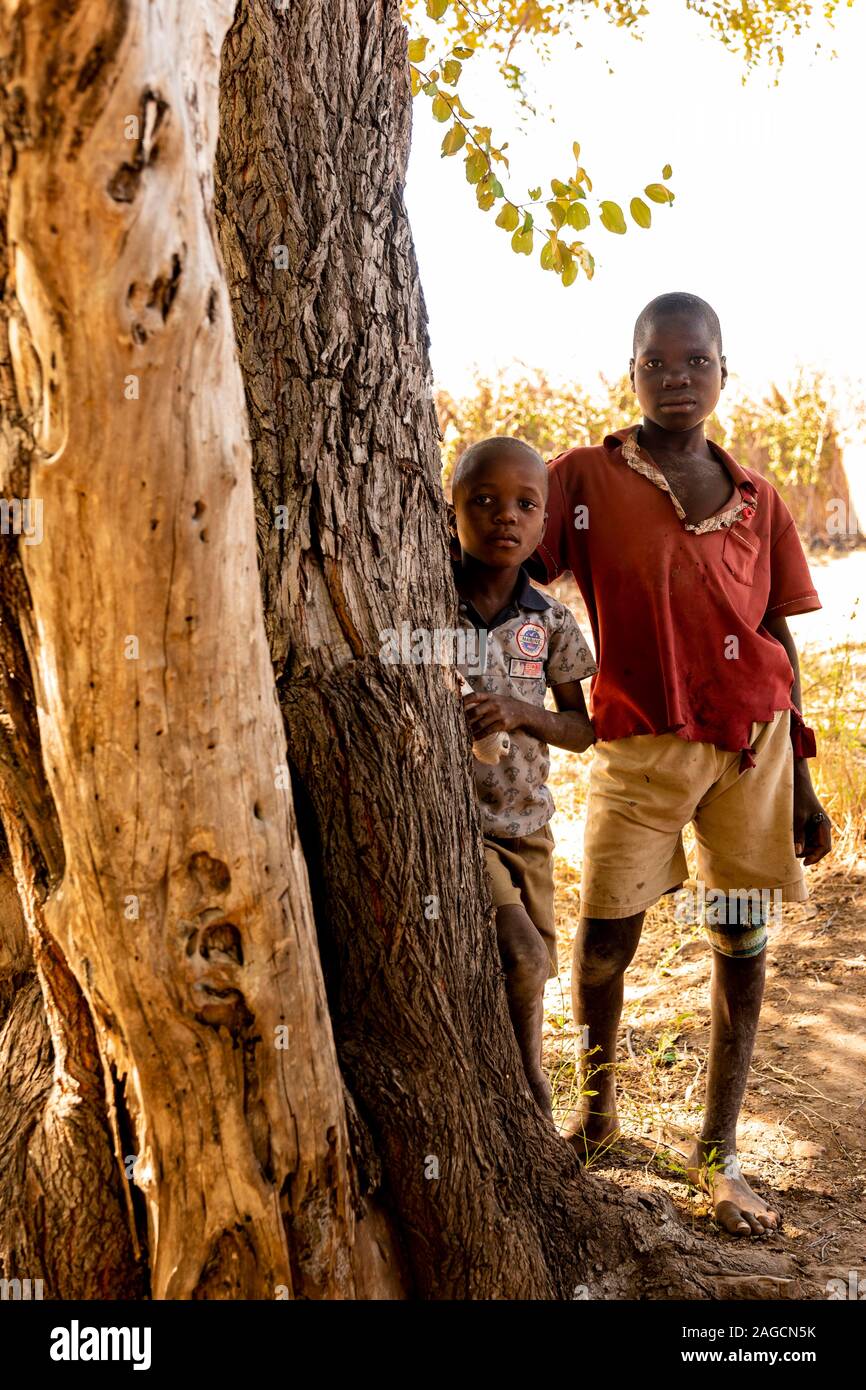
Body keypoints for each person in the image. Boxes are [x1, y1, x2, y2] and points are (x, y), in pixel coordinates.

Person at [531, 291, 832, 1233]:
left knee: (741, 941)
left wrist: (807, 780)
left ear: (721, 373)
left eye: (695, 362)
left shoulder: (757, 497)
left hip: (753, 750)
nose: (676, 378)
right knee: (603, 941)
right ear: (630, 373)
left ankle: (720, 1149)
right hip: (639, 748)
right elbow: (504, 564)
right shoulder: (582, 478)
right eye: (656, 362)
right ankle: (597, 1111)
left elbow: (776, 632)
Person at [450, 436, 597, 1117]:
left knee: (533, 965)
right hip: (455, 825)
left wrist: (517, 711)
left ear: (544, 524)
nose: (503, 516)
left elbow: (582, 730)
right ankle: (532, 1092)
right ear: (449, 509)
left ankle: (508, 1082)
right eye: (482, 501)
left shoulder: (552, 622)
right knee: (523, 956)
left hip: (527, 826)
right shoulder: (427, 605)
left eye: (524, 504)